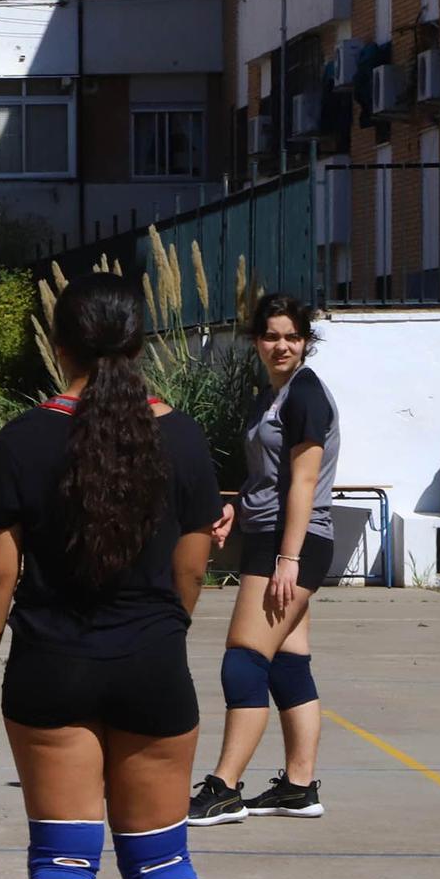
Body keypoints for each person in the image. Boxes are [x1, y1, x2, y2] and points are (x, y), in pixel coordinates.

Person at [0, 273, 226, 879]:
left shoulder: (23, 439)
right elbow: (192, 566)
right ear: (138, 343)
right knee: (163, 860)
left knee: (64, 860)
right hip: (153, 666)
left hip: (51, 668)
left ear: (60, 346)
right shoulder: (181, 440)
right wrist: (160, 631)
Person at [189, 293, 339, 828]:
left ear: (305, 342)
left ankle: (224, 788)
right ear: (257, 341)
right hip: (270, 534)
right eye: (272, 336)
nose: (282, 345)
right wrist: (234, 507)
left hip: (292, 542)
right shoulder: (272, 397)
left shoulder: (306, 396)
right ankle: (298, 788)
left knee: (245, 658)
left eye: (292, 337)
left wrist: (288, 558)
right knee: (287, 663)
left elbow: (303, 480)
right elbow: (268, 479)